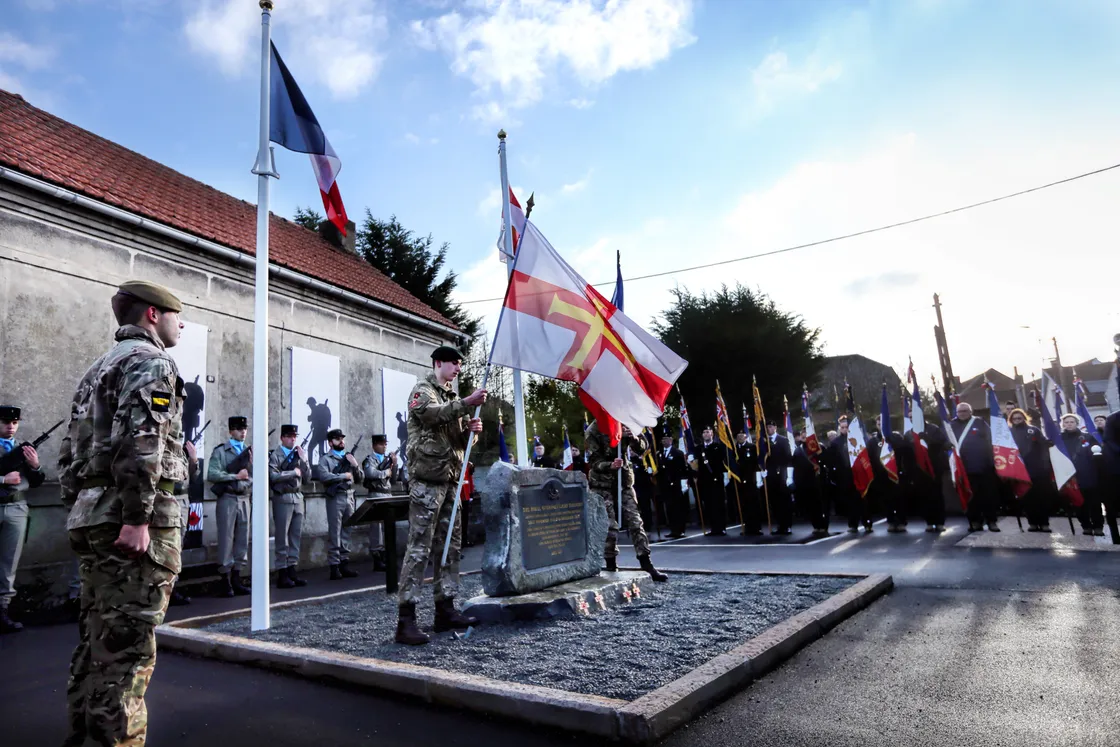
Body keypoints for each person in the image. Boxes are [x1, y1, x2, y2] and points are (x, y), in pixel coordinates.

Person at [58, 280, 189, 746]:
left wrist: (81, 503)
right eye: (177, 315)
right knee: (128, 650)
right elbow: (141, 442)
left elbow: (68, 453)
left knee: (97, 643)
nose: (182, 324)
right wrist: (137, 518)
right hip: (131, 521)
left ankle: (84, 737)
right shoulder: (150, 361)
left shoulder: (97, 369)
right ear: (152, 314)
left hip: (94, 514)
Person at [395, 345, 485, 645]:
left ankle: (444, 609)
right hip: (426, 482)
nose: (458, 370)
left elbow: (455, 438)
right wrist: (466, 404)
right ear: (438, 364)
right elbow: (431, 417)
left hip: (450, 482)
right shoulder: (422, 391)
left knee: (449, 546)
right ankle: (406, 619)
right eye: (453, 364)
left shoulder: (452, 397)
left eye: (460, 365)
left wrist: (471, 429)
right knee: (419, 548)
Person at [585, 418, 668, 580]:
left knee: (635, 521)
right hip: (602, 483)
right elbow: (594, 461)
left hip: (623, 481)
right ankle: (611, 564)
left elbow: (643, 447)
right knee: (609, 526)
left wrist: (634, 438)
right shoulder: (593, 430)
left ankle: (646, 563)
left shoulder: (625, 421)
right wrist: (609, 465)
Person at [0, 405, 45, 632]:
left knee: (9, 563)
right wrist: (2, 480)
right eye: (5, 422)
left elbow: (36, 481)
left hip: (16, 507)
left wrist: (35, 466)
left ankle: (2, 611)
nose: (10, 427)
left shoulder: (22, 449)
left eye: (14, 423)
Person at [207, 416, 252, 597]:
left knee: (243, 539)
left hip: (244, 499)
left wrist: (247, 482)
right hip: (227, 497)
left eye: (244, 428)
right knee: (226, 539)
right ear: (230, 431)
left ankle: (237, 577)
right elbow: (212, 474)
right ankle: (225, 580)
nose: (243, 431)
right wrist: (235, 477)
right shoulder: (221, 451)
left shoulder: (249, 453)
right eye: (238, 428)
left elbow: (255, 475)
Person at [316, 428, 362, 580]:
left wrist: (355, 465)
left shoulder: (348, 457)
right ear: (330, 443)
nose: (341, 441)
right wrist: (344, 475)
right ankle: (334, 566)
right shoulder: (325, 459)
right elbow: (323, 476)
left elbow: (360, 478)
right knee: (335, 532)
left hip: (349, 496)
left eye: (342, 438)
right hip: (335, 497)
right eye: (337, 439)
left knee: (347, 530)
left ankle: (344, 563)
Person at [269, 424, 310, 588]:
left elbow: (307, 478)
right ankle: (282, 572)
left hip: (297, 497)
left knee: (295, 537)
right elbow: (272, 476)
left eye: (294, 436)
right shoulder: (276, 456)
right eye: (289, 436)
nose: (293, 439)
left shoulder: (298, 455)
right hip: (283, 497)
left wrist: (305, 460)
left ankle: (292, 569)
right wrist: (293, 472)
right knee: (282, 537)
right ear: (282, 438)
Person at [951, 402, 1000, 532]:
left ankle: (991, 522)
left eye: (965, 411)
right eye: (960, 411)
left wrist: (992, 462)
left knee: (988, 496)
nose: (962, 414)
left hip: (984, 467)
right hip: (964, 469)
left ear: (970, 411)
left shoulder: (979, 423)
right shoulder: (952, 425)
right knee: (971, 498)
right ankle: (974, 522)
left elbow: (991, 440)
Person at [1008, 408, 1053, 532]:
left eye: (1019, 418)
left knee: (1041, 497)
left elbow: (1043, 445)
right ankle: (1032, 523)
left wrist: (1049, 445)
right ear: (1011, 420)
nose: (1017, 420)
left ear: (1024, 418)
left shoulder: (1034, 430)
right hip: (1020, 470)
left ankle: (1044, 523)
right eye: (1014, 418)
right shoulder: (1008, 433)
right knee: (1027, 497)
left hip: (1037, 469)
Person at [1060, 414, 1104, 535]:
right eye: (1067, 422)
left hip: (1088, 474)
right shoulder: (1059, 439)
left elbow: (1097, 452)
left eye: (1072, 422)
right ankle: (1086, 526)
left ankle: (1098, 526)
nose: (1069, 424)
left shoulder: (1087, 437)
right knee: (1078, 502)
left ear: (1077, 423)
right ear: (1063, 424)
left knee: (1094, 503)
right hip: (1071, 476)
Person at [169, 436, 197, 606]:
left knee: (178, 546)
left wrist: (193, 459)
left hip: (183, 502)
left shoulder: (182, 452)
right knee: (167, 545)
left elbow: (193, 476)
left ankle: (173, 586)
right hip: (168, 499)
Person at [362, 434, 397, 568]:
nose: (384, 446)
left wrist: (394, 465)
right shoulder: (369, 460)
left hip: (387, 494)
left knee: (387, 526)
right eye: (381, 444)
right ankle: (377, 556)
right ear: (374, 445)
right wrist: (385, 473)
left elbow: (394, 479)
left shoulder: (388, 460)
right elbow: (370, 473)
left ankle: (386, 556)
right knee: (376, 528)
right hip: (375, 494)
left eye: (385, 444)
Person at [868, 415, 905, 533]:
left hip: (896, 473)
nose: (881, 427)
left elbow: (904, 452)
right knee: (886, 500)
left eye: (883, 424)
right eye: (879, 424)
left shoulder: (896, 437)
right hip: (881, 475)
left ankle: (901, 522)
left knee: (899, 499)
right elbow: (870, 457)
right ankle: (891, 522)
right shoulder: (873, 441)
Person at [759, 420, 794, 535]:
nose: (769, 429)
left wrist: (789, 475)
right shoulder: (763, 442)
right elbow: (761, 458)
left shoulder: (783, 440)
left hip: (782, 473)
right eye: (767, 427)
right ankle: (780, 525)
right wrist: (763, 470)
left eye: (770, 427)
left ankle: (787, 525)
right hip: (770, 475)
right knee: (774, 502)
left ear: (775, 428)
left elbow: (788, 457)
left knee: (785, 501)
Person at [793, 428, 828, 536]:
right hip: (806, 482)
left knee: (821, 505)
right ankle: (816, 525)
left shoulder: (819, 447)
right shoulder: (798, 450)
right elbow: (796, 467)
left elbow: (825, 461)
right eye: (802, 433)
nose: (803, 435)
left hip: (818, 480)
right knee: (810, 505)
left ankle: (823, 526)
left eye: (806, 433)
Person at [655, 432, 689, 538]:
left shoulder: (677, 453)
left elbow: (682, 469)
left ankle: (680, 530)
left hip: (675, 484)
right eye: (663, 439)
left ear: (671, 440)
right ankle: (673, 529)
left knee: (678, 508)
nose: (664, 441)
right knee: (669, 508)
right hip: (665, 485)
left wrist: (683, 481)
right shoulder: (659, 454)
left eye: (667, 438)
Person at [693, 425, 726, 536]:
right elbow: (697, 465)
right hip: (704, 481)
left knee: (718, 504)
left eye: (708, 432)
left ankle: (721, 527)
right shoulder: (699, 448)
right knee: (708, 505)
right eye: (704, 432)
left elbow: (722, 463)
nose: (706, 434)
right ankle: (713, 528)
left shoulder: (718, 446)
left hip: (716, 480)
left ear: (712, 434)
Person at [735, 430, 764, 535]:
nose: (740, 437)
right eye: (738, 436)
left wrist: (758, 477)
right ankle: (747, 527)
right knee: (744, 505)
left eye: (742, 435)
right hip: (740, 480)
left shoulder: (752, 447)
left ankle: (757, 527)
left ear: (746, 436)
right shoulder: (734, 449)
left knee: (754, 504)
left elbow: (756, 463)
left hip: (751, 479)